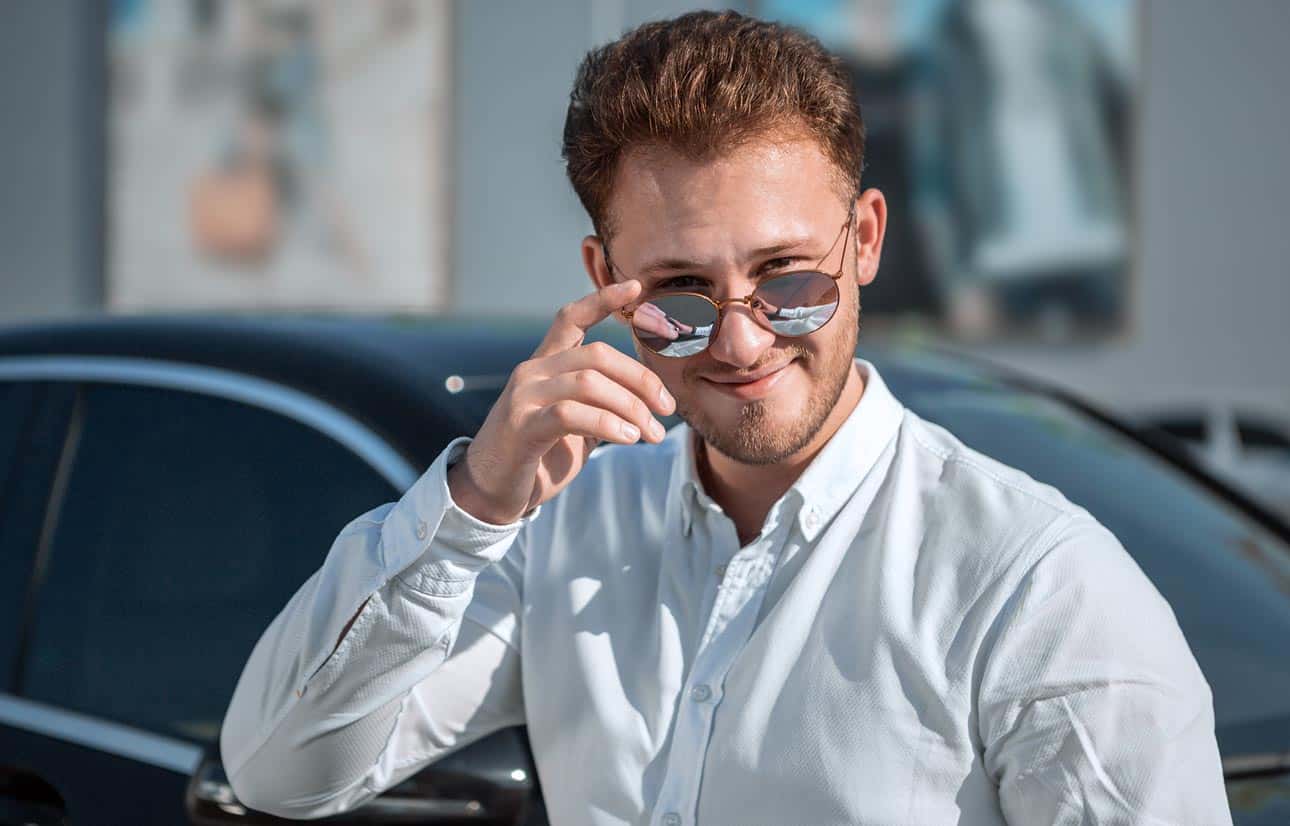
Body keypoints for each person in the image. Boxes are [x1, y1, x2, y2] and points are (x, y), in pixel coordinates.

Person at [220, 10, 1231, 824]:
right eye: (682, 294)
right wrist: (477, 499)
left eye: (789, 281)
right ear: (604, 280)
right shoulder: (563, 528)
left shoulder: (1038, 588)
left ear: (866, 239)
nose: (743, 343)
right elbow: (280, 770)